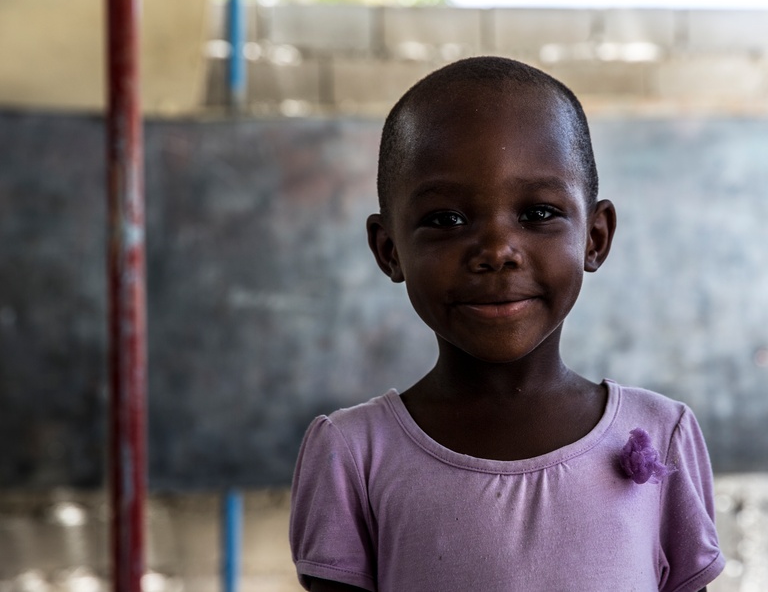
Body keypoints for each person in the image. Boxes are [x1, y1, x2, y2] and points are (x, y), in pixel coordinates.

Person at [289, 56, 725, 592]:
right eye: (446, 219)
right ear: (389, 249)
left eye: (539, 213)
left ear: (595, 237)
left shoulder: (662, 434)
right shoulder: (353, 453)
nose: (497, 251)